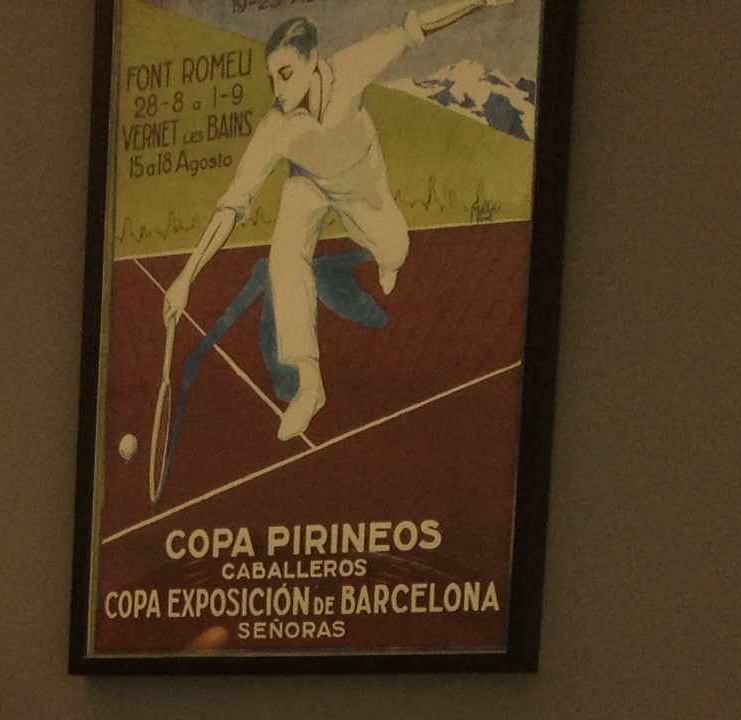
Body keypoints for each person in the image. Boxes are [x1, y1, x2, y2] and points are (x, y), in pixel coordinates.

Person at [160, 1, 514, 444]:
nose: (278, 89)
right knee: (284, 254)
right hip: (307, 184)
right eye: (272, 78)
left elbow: (415, 27)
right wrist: (186, 277)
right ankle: (310, 386)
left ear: (313, 60)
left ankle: (387, 261)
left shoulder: (350, 69)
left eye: (286, 74)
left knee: (395, 249)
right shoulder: (275, 128)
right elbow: (232, 204)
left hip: (361, 185)